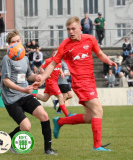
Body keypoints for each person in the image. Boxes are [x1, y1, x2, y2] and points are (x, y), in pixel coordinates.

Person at [33, 16, 116, 151]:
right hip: (80, 82)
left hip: (90, 81)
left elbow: (100, 54)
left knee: (90, 117)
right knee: (98, 110)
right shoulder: (65, 45)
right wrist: (42, 79)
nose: (71, 32)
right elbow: (53, 63)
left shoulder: (90, 39)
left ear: (80, 28)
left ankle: (60, 121)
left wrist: (108, 61)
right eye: (68, 29)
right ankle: (97, 146)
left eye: (73, 29)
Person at [1, 30, 57, 155]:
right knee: (26, 127)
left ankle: (48, 149)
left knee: (44, 116)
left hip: (24, 95)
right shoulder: (7, 58)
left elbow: (28, 75)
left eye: (18, 41)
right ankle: (8, 139)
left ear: (21, 42)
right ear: (9, 45)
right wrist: (23, 89)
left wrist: (36, 77)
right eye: (13, 42)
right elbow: (5, 81)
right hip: (11, 99)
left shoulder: (25, 57)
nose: (16, 44)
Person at [32, 49, 73, 117]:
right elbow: (41, 68)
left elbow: (59, 68)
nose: (56, 54)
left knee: (44, 99)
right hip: (51, 82)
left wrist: (62, 73)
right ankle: (67, 115)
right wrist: (45, 74)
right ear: (53, 54)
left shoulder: (59, 61)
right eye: (55, 53)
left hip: (54, 82)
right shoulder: (48, 60)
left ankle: (32, 93)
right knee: (60, 96)